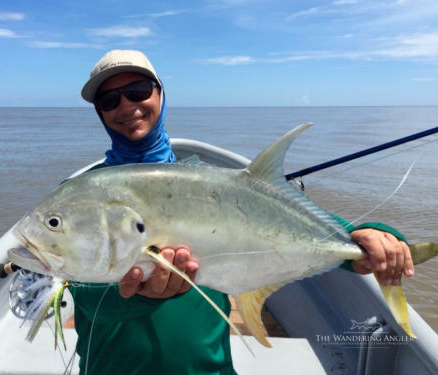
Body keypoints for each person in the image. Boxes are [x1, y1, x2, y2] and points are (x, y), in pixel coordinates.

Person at [70, 50, 414, 374]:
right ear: (100, 111)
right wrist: (133, 294)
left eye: (137, 90)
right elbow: (82, 295)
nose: (126, 106)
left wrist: (367, 236)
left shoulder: (211, 185)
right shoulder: (81, 196)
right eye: (109, 100)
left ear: (160, 93)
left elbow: (272, 216)